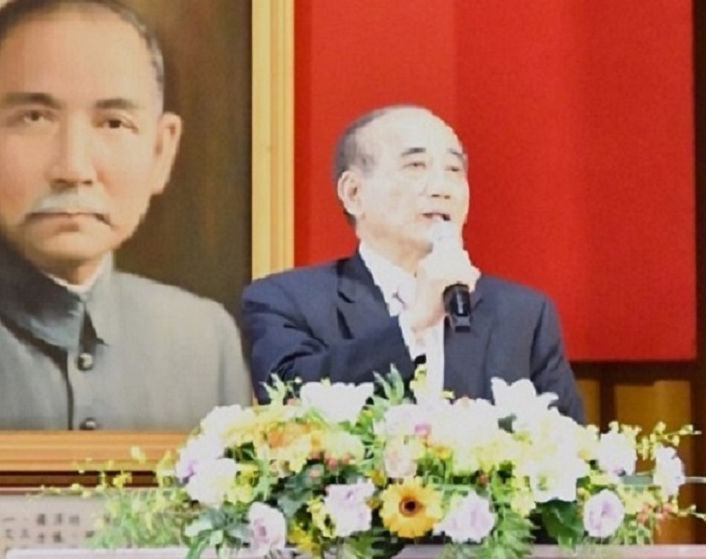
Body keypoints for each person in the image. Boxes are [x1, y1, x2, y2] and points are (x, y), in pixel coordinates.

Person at [0, 0, 251, 432]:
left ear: (161, 151)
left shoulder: (206, 342)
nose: (73, 169)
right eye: (34, 118)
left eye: (113, 123)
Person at [242, 105, 586, 421]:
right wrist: (413, 324)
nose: (441, 188)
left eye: (454, 169)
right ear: (353, 194)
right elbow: (291, 402)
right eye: (415, 166)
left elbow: (570, 446)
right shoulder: (285, 300)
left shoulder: (524, 315)